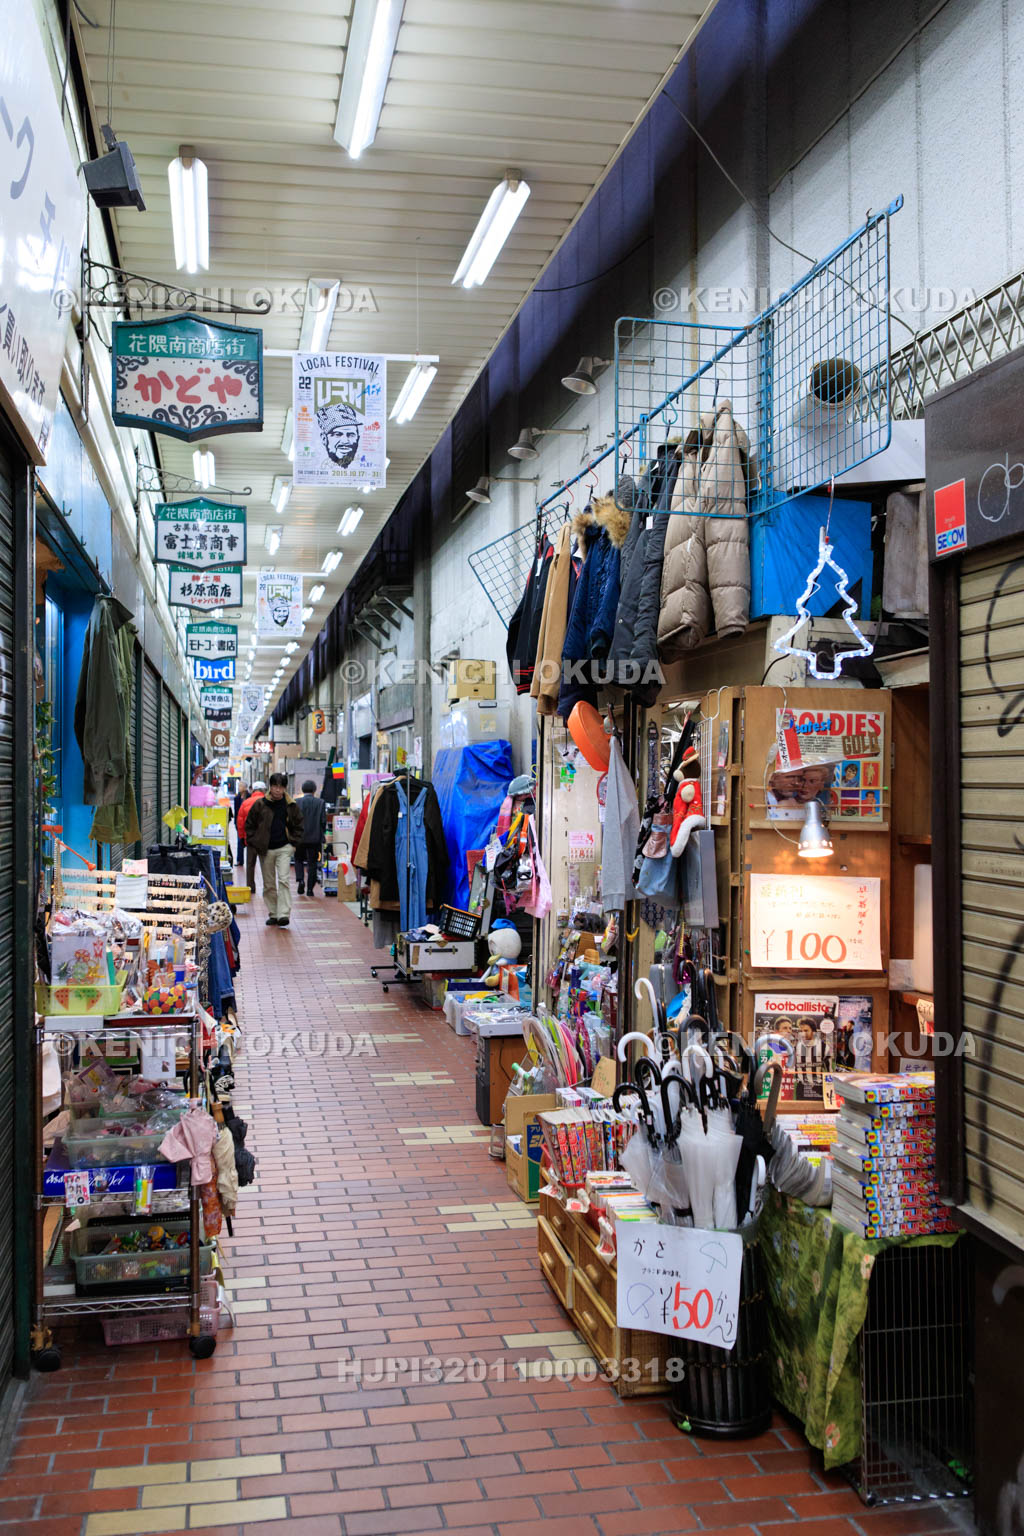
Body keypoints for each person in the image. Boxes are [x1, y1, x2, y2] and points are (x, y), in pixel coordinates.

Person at [244, 773, 303, 927]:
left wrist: (293, 844)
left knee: (284, 880)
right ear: (270, 787)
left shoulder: (291, 805)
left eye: (281, 787)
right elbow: (249, 825)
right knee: (269, 884)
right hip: (266, 849)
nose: (278, 790)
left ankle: (283, 914)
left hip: (284, 848)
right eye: (275, 786)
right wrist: (255, 842)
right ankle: (274, 913)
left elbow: (299, 825)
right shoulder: (260, 804)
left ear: (285, 788)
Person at [294, 779, 327, 896]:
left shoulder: (296, 802)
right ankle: (310, 889)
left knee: (298, 859)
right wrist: (321, 833)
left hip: (299, 838)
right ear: (314, 790)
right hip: (314, 838)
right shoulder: (320, 803)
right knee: (312, 863)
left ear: (302, 790)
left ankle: (300, 880)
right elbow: (323, 821)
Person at [237, 781, 266, 893]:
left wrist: (242, 837)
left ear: (253, 790)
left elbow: (241, 822)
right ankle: (267, 887)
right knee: (265, 864)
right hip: (265, 839)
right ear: (264, 791)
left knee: (250, 864)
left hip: (251, 839)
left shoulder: (246, 803)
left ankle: (250, 887)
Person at [232, 783, 247, 867]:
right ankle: (239, 860)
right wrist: (236, 823)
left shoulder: (249, 796)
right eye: (238, 786)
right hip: (239, 822)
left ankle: (252, 861)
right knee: (239, 841)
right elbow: (236, 812)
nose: (239, 788)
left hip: (248, 823)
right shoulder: (237, 798)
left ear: (245, 788)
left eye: (240, 786)